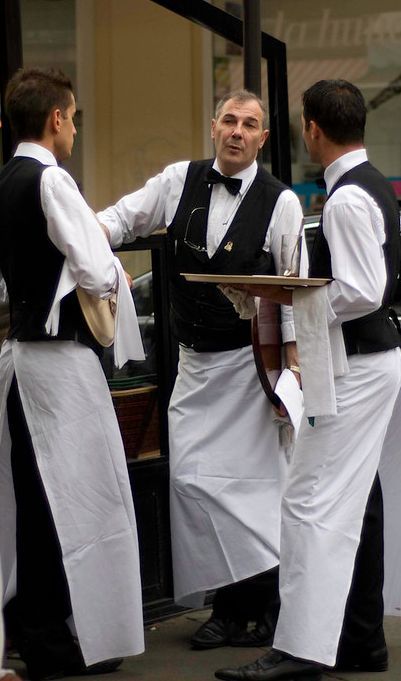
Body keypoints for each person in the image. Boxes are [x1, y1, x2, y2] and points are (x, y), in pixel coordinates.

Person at [98, 89, 305, 649]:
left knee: (257, 492)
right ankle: (225, 601)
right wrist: (88, 245)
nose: (238, 131)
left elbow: (293, 287)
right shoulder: (176, 180)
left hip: (249, 367)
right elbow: (121, 218)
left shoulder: (281, 202)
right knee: (191, 482)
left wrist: (289, 374)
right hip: (193, 365)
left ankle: (250, 609)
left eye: (251, 125)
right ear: (214, 126)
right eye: (230, 121)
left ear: (263, 137)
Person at [214, 79, 401, 681]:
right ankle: (355, 641)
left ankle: (298, 650)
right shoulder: (368, 187)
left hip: (360, 366)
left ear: (312, 128)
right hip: (370, 362)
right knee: (344, 504)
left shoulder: (346, 199)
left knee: (307, 501)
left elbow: (365, 291)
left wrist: (283, 292)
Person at [0, 67, 145, 681]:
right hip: (59, 364)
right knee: (77, 503)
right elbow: (94, 268)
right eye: (76, 115)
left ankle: (43, 636)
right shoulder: (51, 181)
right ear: (56, 118)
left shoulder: (5, 178)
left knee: (34, 499)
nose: (76, 126)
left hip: (19, 359)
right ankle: (59, 642)